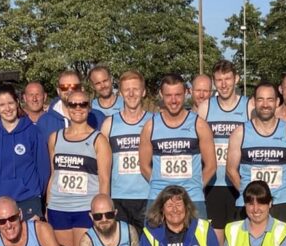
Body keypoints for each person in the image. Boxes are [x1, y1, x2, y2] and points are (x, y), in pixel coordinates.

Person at [46, 88, 112, 246]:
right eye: (72, 104)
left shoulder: (98, 140)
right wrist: (48, 204)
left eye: (82, 104)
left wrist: (102, 214)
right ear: (66, 107)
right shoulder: (55, 138)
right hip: (59, 208)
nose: (77, 109)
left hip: (85, 209)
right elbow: (54, 174)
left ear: (89, 107)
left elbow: (104, 180)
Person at [139, 74, 216, 219]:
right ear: (161, 94)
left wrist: (194, 188)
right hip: (158, 198)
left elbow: (211, 166)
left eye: (178, 95)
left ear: (186, 93)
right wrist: (160, 188)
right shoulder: (150, 126)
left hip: (193, 198)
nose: (173, 101)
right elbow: (144, 166)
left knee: (198, 235)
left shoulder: (199, 125)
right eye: (168, 95)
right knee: (153, 234)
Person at [227, 81, 286, 226]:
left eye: (270, 99)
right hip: (249, 204)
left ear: (277, 102)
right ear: (254, 102)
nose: (265, 104)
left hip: (281, 203)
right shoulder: (240, 133)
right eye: (260, 99)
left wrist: (280, 192)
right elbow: (231, 170)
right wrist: (250, 195)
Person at [197, 60, 254, 244]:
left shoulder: (249, 106)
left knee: (241, 241)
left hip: (240, 184)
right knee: (216, 242)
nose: (223, 84)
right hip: (215, 184)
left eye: (227, 79)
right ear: (214, 82)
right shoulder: (206, 107)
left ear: (236, 79)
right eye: (219, 80)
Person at [0, 84, 50, 222]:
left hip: (28, 198)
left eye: (10, 103)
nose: (7, 108)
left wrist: (35, 192)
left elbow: (43, 168)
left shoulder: (32, 132)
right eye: (2, 105)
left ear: (17, 102)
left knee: (31, 235)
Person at [100, 70, 152, 230]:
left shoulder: (154, 121)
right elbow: (103, 168)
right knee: (123, 244)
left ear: (143, 92)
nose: (131, 94)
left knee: (148, 244)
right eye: (127, 90)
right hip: (118, 198)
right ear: (121, 93)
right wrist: (104, 198)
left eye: (135, 89)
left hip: (148, 196)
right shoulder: (109, 124)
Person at [38, 69, 103, 136]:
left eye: (74, 87)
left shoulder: (98, 118)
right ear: (58, 91)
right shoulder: (45, 122)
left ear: (82, 89)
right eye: (64, 87)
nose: (70, 90)